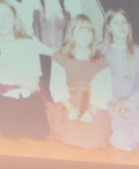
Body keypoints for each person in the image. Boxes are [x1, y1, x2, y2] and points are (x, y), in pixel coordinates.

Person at [0, 0, 51, 137]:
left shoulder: (27, 43)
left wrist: (1, 64)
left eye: (8, 15)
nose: (3, 21)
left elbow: (33, 85)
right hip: (4, 97)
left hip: (29, 94)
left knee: (41, 134)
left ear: (15, 18)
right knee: (13, 133)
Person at [45, 14, 111, 148]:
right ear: (72, 33)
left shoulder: (99, 59)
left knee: (94, 136)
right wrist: (70, 108)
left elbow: (104, 89)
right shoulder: (61, 56)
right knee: (69, 131)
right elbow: (57, 86)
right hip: (68, 101)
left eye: (89, 30)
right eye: (81, 29)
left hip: (92, 101)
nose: (85, 34)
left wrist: (91, 112)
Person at [101, 8, 139, 150]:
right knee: (122, 135)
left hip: (130, 103)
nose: (121, 26)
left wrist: (126, 104)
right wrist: (114, 102)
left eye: (124, 22)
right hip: (108, 103)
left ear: (129, 26)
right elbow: (97, 85)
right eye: (116, 23)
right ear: (109, 28)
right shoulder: (101, 52)